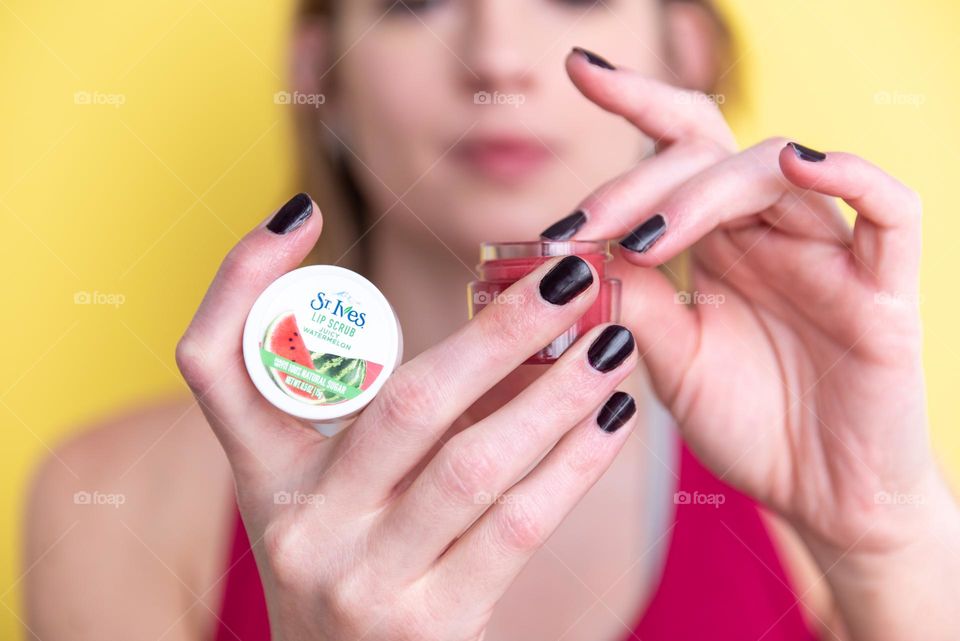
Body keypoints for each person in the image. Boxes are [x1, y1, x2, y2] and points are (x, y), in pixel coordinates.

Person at [25, 1, 959, 640]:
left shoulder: (809, 483)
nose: (496, 61)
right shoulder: (112, 497)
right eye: (416, 0)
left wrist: (890, 543)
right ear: (323, 74)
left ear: (688, 51)